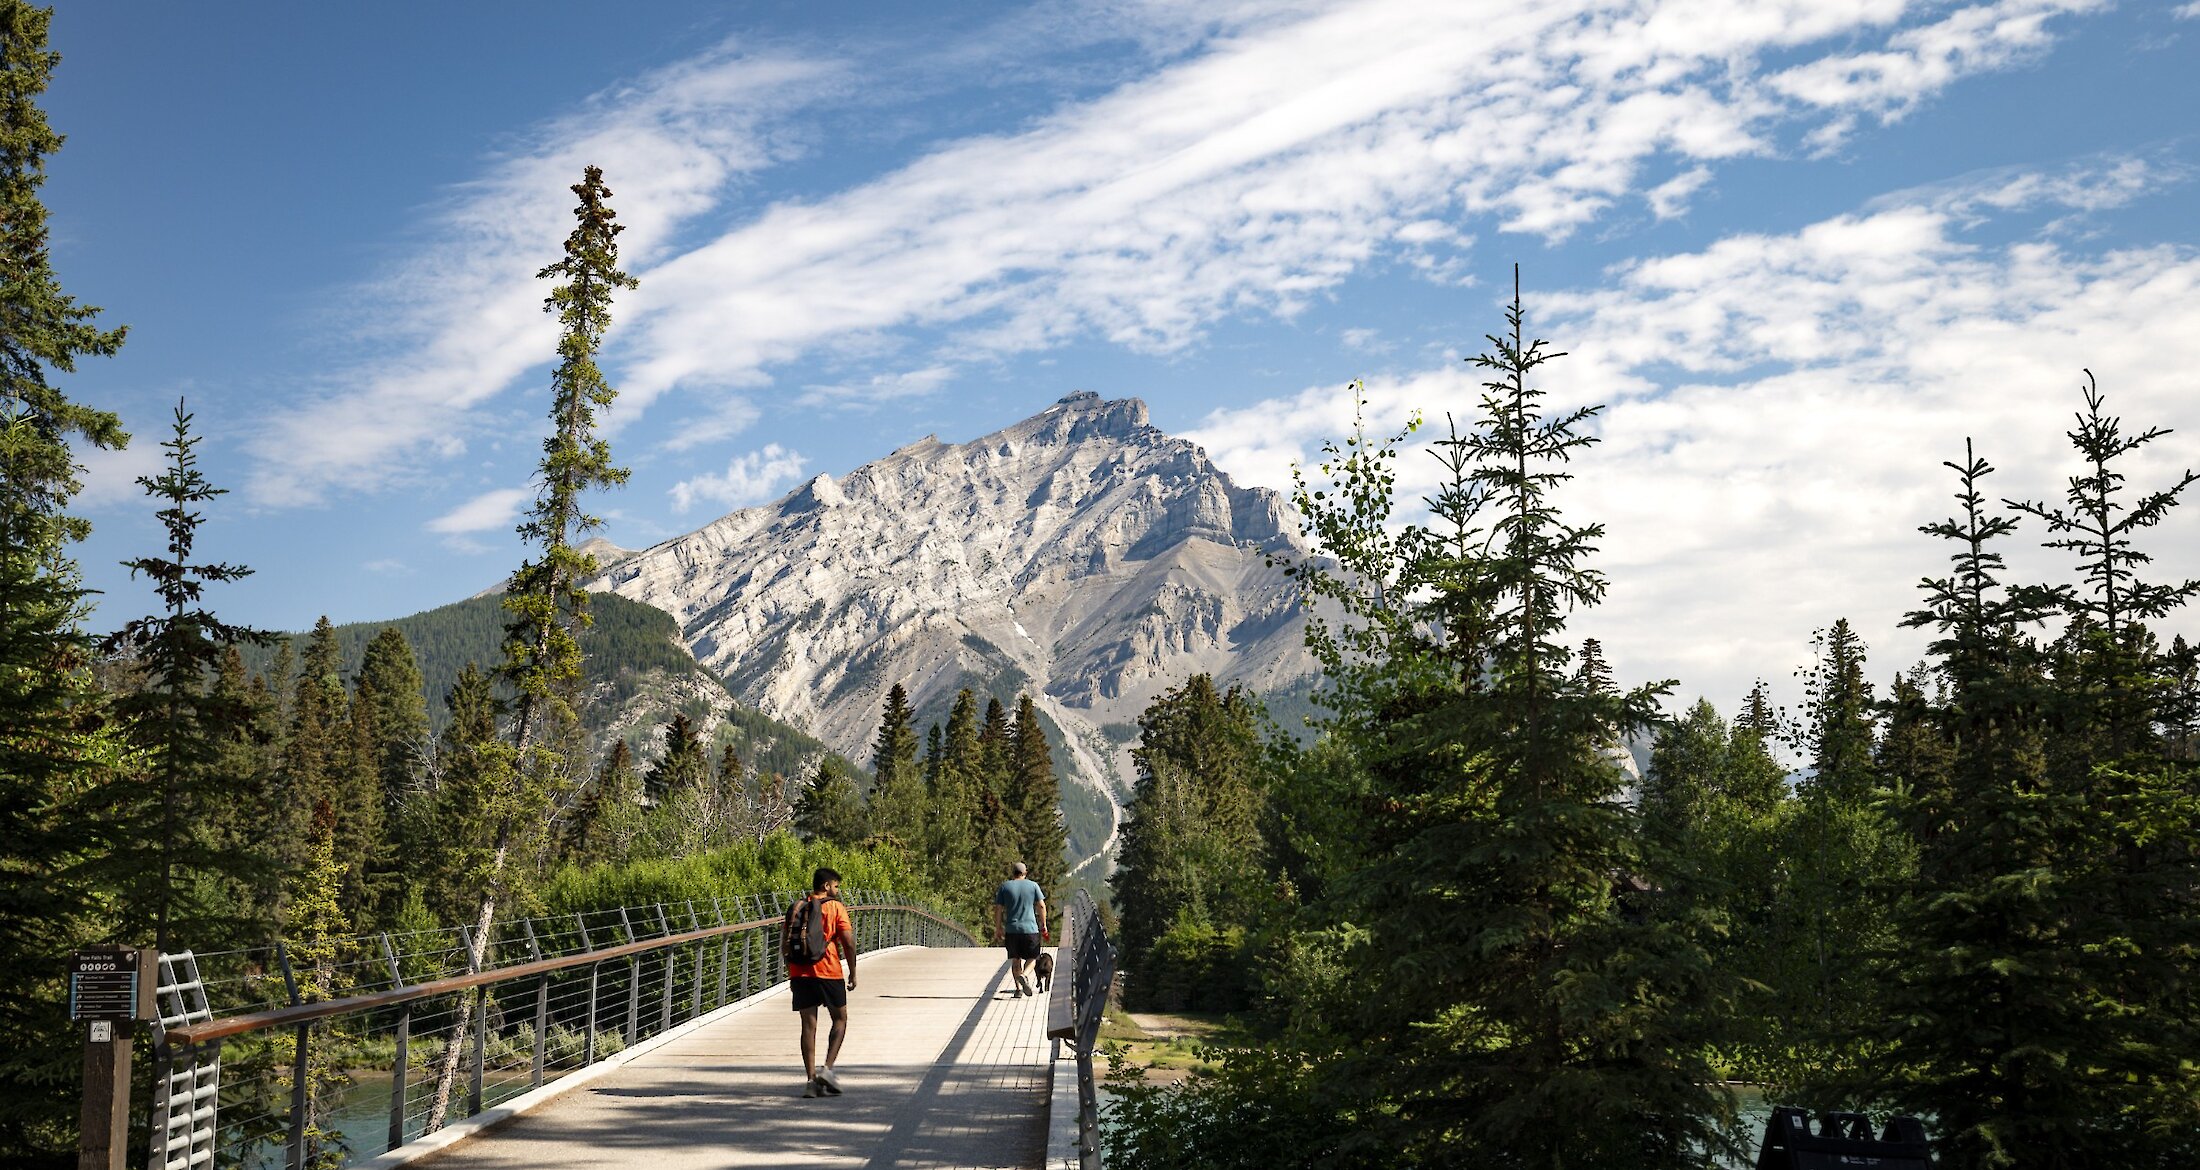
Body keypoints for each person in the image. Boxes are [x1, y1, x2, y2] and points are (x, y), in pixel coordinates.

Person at [787, 866, 857, 1097]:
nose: (837, 890)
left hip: (800, 973)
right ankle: (827, 1069)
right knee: (840, 1019)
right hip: (828, 971)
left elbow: (784, 945)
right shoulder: (836, 907)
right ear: (826, 886)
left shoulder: (797, 908)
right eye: (836, 886)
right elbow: (848, 942)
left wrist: (792, 974)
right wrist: (853, 971)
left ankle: (810, 1081)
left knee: (808, 1026)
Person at [991, 861, 1048, 998]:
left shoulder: (1005, 887)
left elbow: (998, 909)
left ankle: (1018, 989)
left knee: (1015, 960)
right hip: (1030, 929)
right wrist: (1044, 924)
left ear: (1013, 873)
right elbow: (1041, 906)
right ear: (1025, 873)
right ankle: (1025, 975)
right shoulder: (1033, 886)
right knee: (1033, 957)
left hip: (1012, 930)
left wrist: (998, 928)